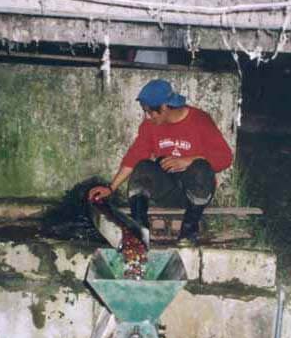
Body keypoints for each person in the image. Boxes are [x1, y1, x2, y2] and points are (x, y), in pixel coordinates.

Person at [88, 79, 232, 245]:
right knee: (142, 167)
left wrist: (187, 161)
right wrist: (110, 188)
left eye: (150, 112)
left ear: (164, 108)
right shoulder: (150, 126)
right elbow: (134, 157)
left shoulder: (200, 120)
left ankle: (188, 231)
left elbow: (225, 158)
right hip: (167, 189)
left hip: (195, 193)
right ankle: (139, 233)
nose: (147, 117)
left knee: (200, 168)